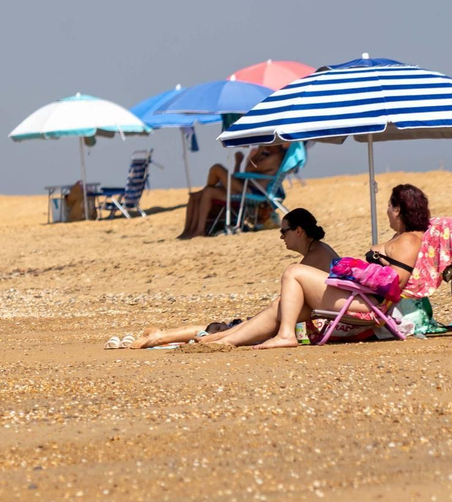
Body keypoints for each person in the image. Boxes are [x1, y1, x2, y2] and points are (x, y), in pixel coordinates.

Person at [205, 184, 430, 350]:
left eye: (390, 206)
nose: (387, 211)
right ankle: (226, 340)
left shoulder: (408, 240)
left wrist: (369, 263)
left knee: (293, 271)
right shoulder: (401, 237)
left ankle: (285, 335)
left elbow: (395, 283)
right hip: (363, 297)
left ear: (398, 209)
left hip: (371, 304)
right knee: (284, 306)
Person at [112, 208, 339, 349]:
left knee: (229, 327)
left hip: (321, 315)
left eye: (284, 232)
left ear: (298, 231)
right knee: (236, 325)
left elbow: (288, 306)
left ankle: (166, 337)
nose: (281, 237)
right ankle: (167, 336)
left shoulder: (316, 255)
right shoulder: (315, 253)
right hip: (312, 312)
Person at [177, 142, 287, 238]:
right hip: (244, 187)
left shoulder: (276, 157)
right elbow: (248, 167)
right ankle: (188, 231)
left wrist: (261, 148)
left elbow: (249, 168)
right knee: (204, 194)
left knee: (217, 168)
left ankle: (199, 230)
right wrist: (258, 151)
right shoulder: (268, 156)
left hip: (251, 191)